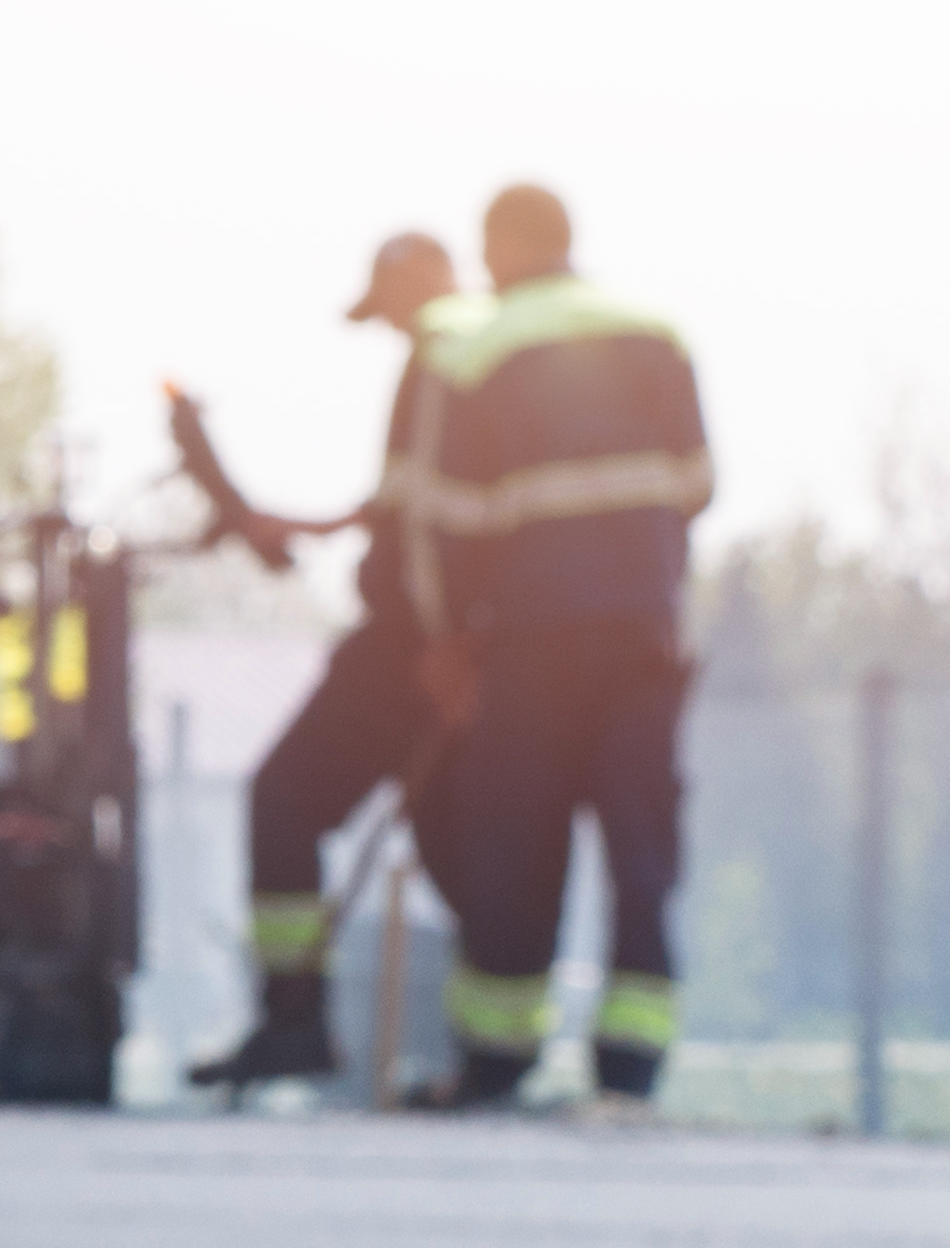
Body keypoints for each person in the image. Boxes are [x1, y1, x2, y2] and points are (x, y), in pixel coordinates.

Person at [399, 183, 713, 1110]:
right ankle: (631, 1065)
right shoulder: (658, 334)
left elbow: (442, 521)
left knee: (513, 848)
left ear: (496, 247)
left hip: (529, 643)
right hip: (643, 636)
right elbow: (696, 483)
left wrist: (447, 640)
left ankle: (497, 1057)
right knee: (641, 851)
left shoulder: (470, 349)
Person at [186, 228, 464, 1091]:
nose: (386, 326)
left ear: (420, 281)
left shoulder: (445, 357)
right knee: (458, 840)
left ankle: (295, 1018)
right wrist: (302, 527)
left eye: (388, 306)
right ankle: (488, 1055)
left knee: (284, 799)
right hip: (437, 637)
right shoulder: (450, 363)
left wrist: (443, 635)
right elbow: (400, 504)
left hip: (413, 643)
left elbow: (433, 518)